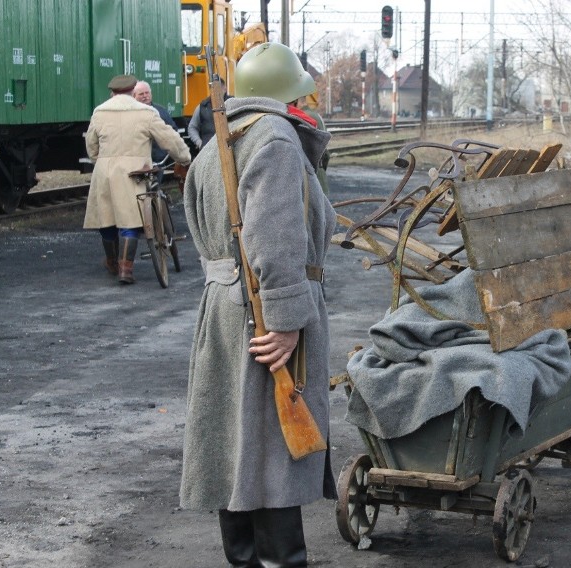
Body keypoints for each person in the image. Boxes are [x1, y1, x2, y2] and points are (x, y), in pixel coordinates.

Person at [180, 42, 336, 567]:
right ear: (287, 94)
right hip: (263, 313)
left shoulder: (221, 139)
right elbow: (275, 241)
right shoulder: (274, 139)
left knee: (237, 449)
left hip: (225, 312)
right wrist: (287, 321)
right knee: (271, 452)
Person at [83, 74, 191, 284]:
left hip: (105, 171)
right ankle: (126, 270)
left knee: (106, 219)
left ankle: (112, 261)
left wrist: (102, 160)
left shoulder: (100, 112)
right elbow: (170, 140)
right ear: (133, 91)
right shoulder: (146, 112)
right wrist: (184, 158)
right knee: (130, 220)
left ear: (112, 92)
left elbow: (91, 146)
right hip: (136, 172)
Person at [133, 80, 179, 182]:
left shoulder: (161, 111)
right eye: (141, 94)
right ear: (134, 96)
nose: (145, 96)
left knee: (154, 189)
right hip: (137, 162)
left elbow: (173, 131)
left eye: (147, 93)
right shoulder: (130, 113)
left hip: (157, 161)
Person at [299, 91, 331, 195]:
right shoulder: (317, 116)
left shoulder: (298, 116)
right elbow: (325, 153)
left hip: (305, 178)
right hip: (319, 174)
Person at [187, 77, 226, 150]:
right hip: (207, 151)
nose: (216, 92)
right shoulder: (202, 106)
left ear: (225, 88)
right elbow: (192, 127)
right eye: (213, 89)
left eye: (219, 88)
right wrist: (199, 143)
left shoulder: (232, 104)